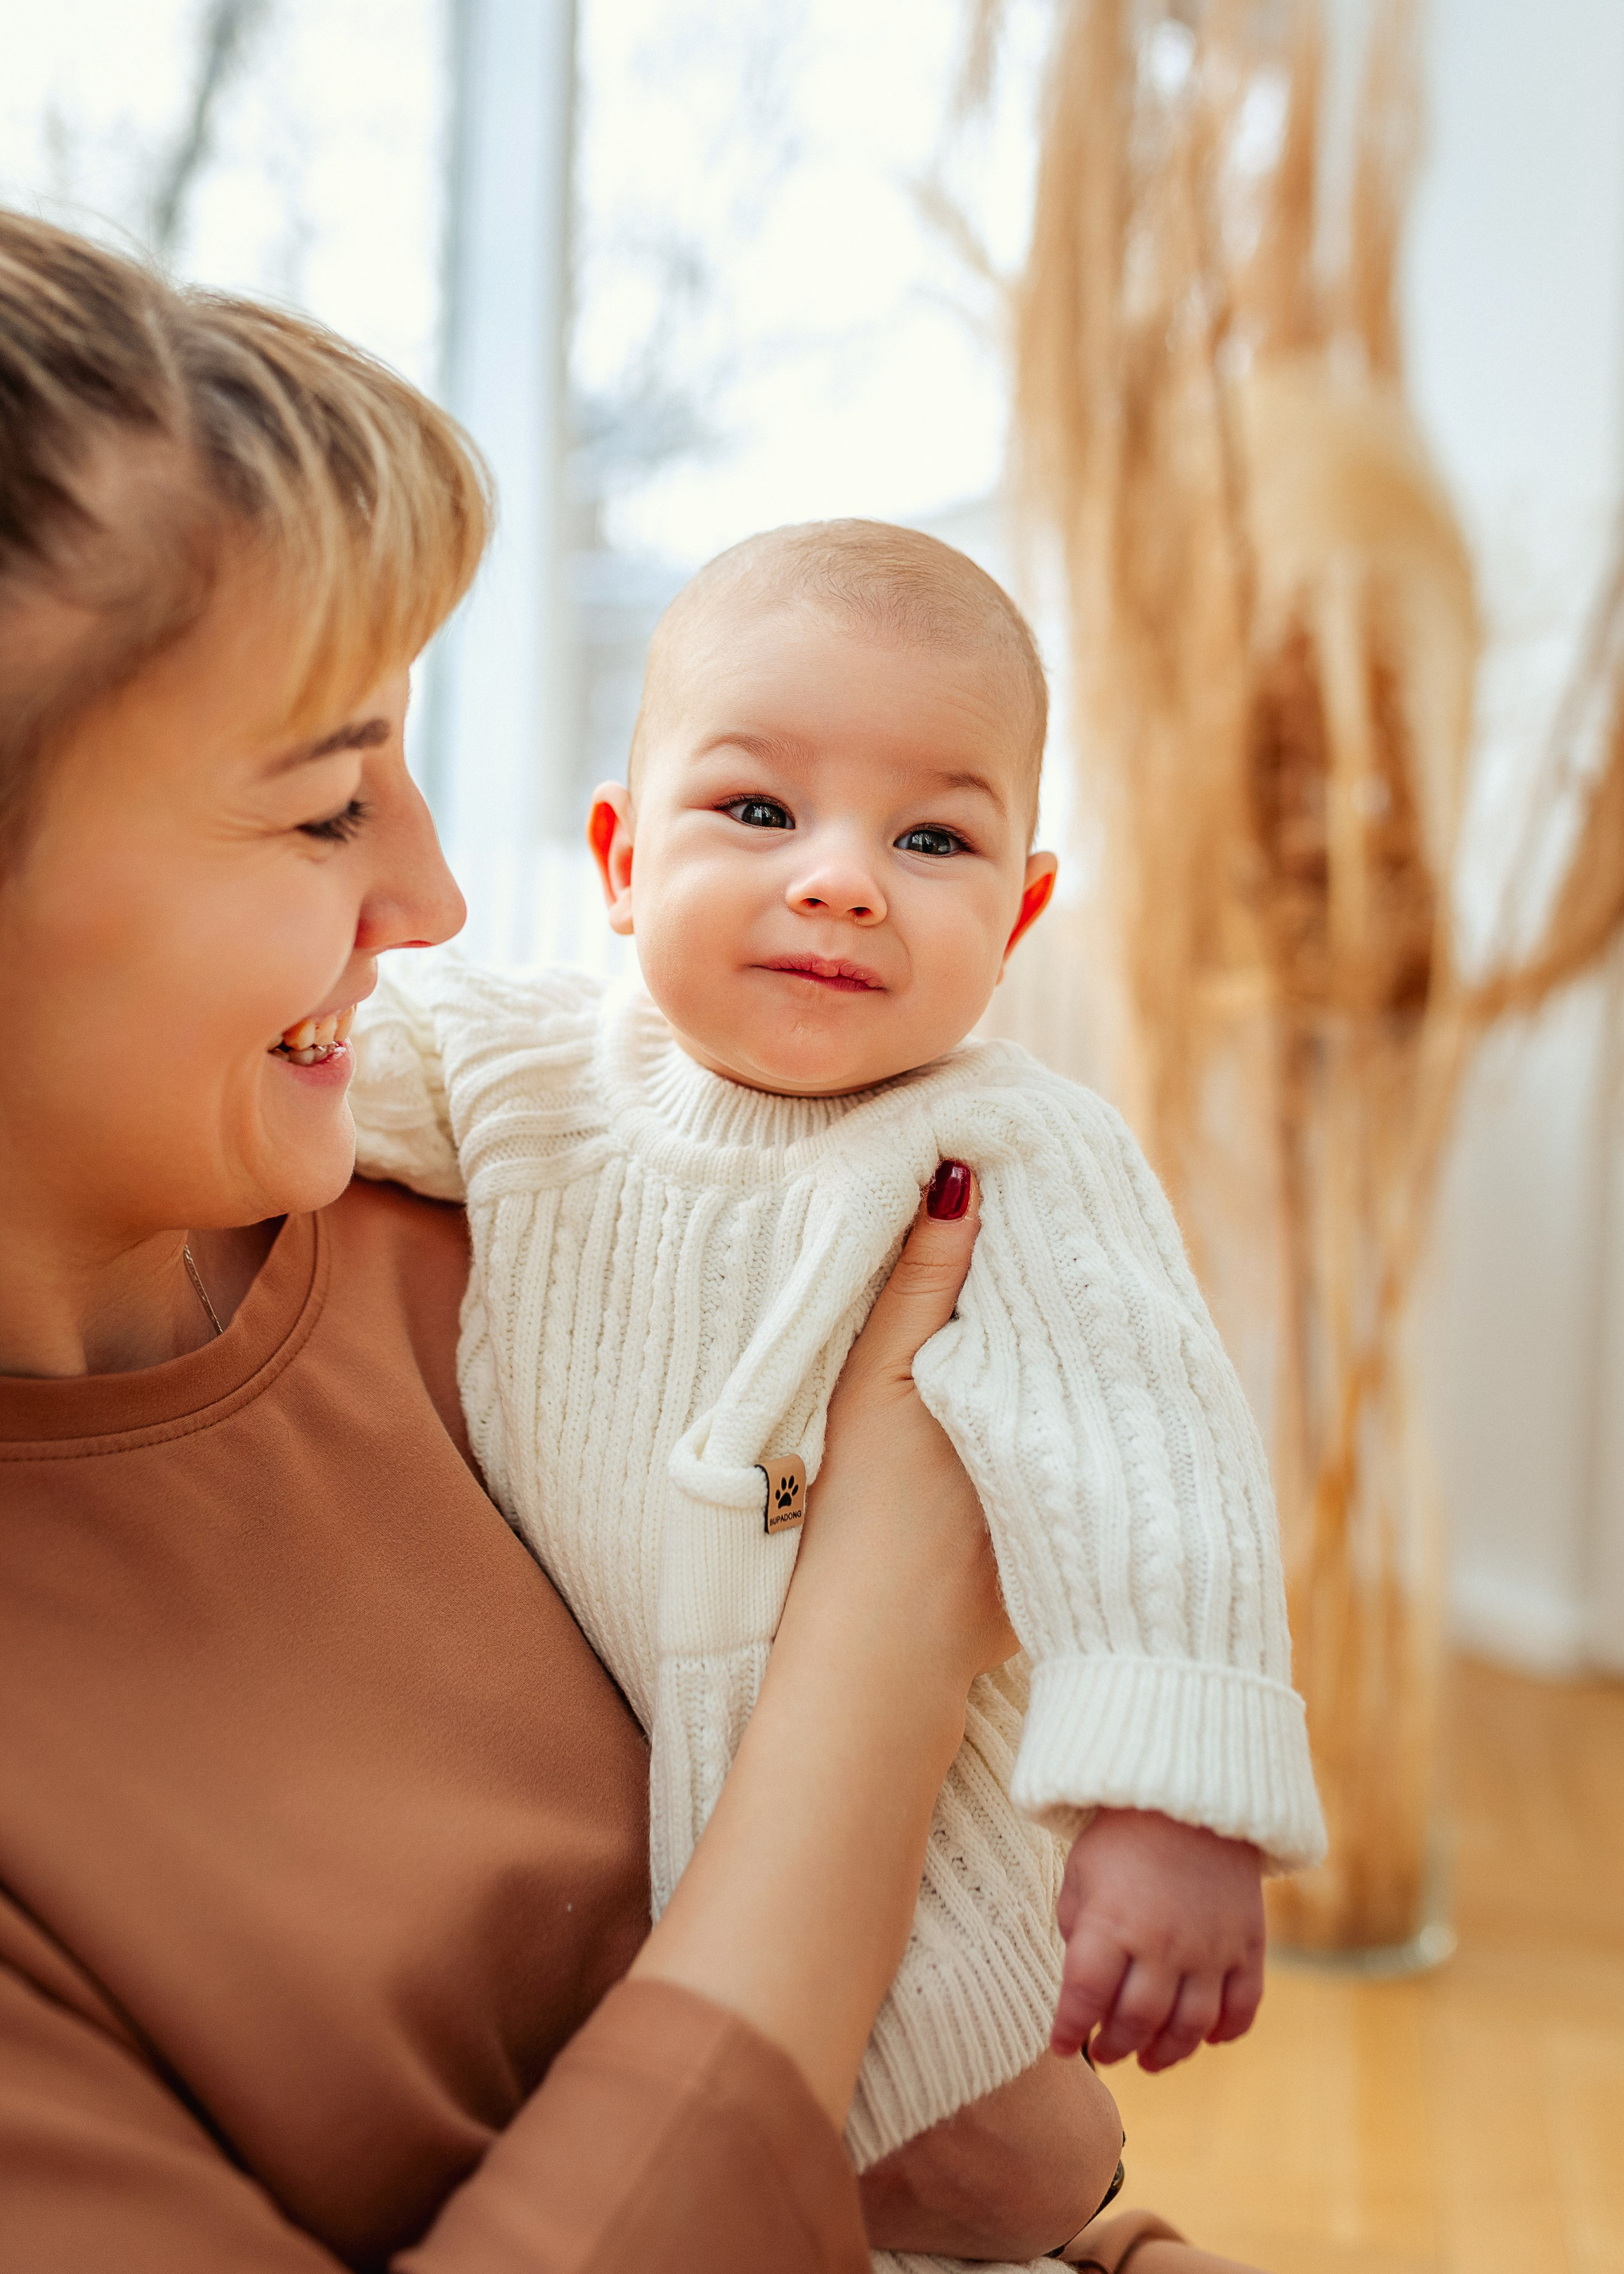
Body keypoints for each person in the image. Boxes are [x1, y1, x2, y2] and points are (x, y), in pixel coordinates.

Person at [0, 211, 1257, 2271]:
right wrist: (894, 1603)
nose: (432, 891)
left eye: (931, 836)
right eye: (326, 805)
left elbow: (1155, 1489)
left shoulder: (449, 1216)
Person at [346, 522, 1326, 2202]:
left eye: (932, 837)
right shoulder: (521, 1066)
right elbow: (307, 1075)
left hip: (911, 1846)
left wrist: (1176, 1806)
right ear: (622, 859)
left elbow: (1149, 1463)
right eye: (756, 810)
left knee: (982, 2161)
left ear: (1015, 915)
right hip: (611, 1813)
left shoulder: (1011, 1146)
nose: (842, 876)